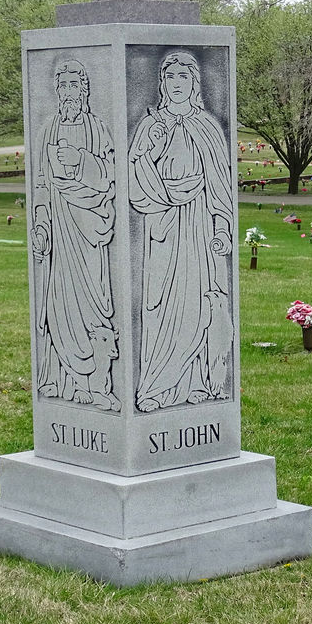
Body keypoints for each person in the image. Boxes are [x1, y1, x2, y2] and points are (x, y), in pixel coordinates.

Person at [129, 50, 235, 412]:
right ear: (162, 83)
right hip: (164, 228)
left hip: (200, 228)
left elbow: (220, 185)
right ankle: (159, 387)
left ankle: (198, 383)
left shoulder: (207, 126)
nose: (177, 85)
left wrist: (222, 227)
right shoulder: (150, 126)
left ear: (194, 84)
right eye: (170, 78)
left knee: (200, 304)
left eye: (183, 78)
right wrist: (147, 150)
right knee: (162, 306)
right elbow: (135, 182)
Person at [30, 59, 119, 410]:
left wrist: (81, 159)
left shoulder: (97, 128)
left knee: (93, 303)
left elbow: (112, 174)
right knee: (58, 303)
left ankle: (98, 384)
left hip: (88, 229)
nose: (68, 93)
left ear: (84, 90)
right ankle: (65, 380)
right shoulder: (49, 128)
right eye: (62, 86)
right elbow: (39, 181)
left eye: (73, 86)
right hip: (59, 227)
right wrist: (40, 223)